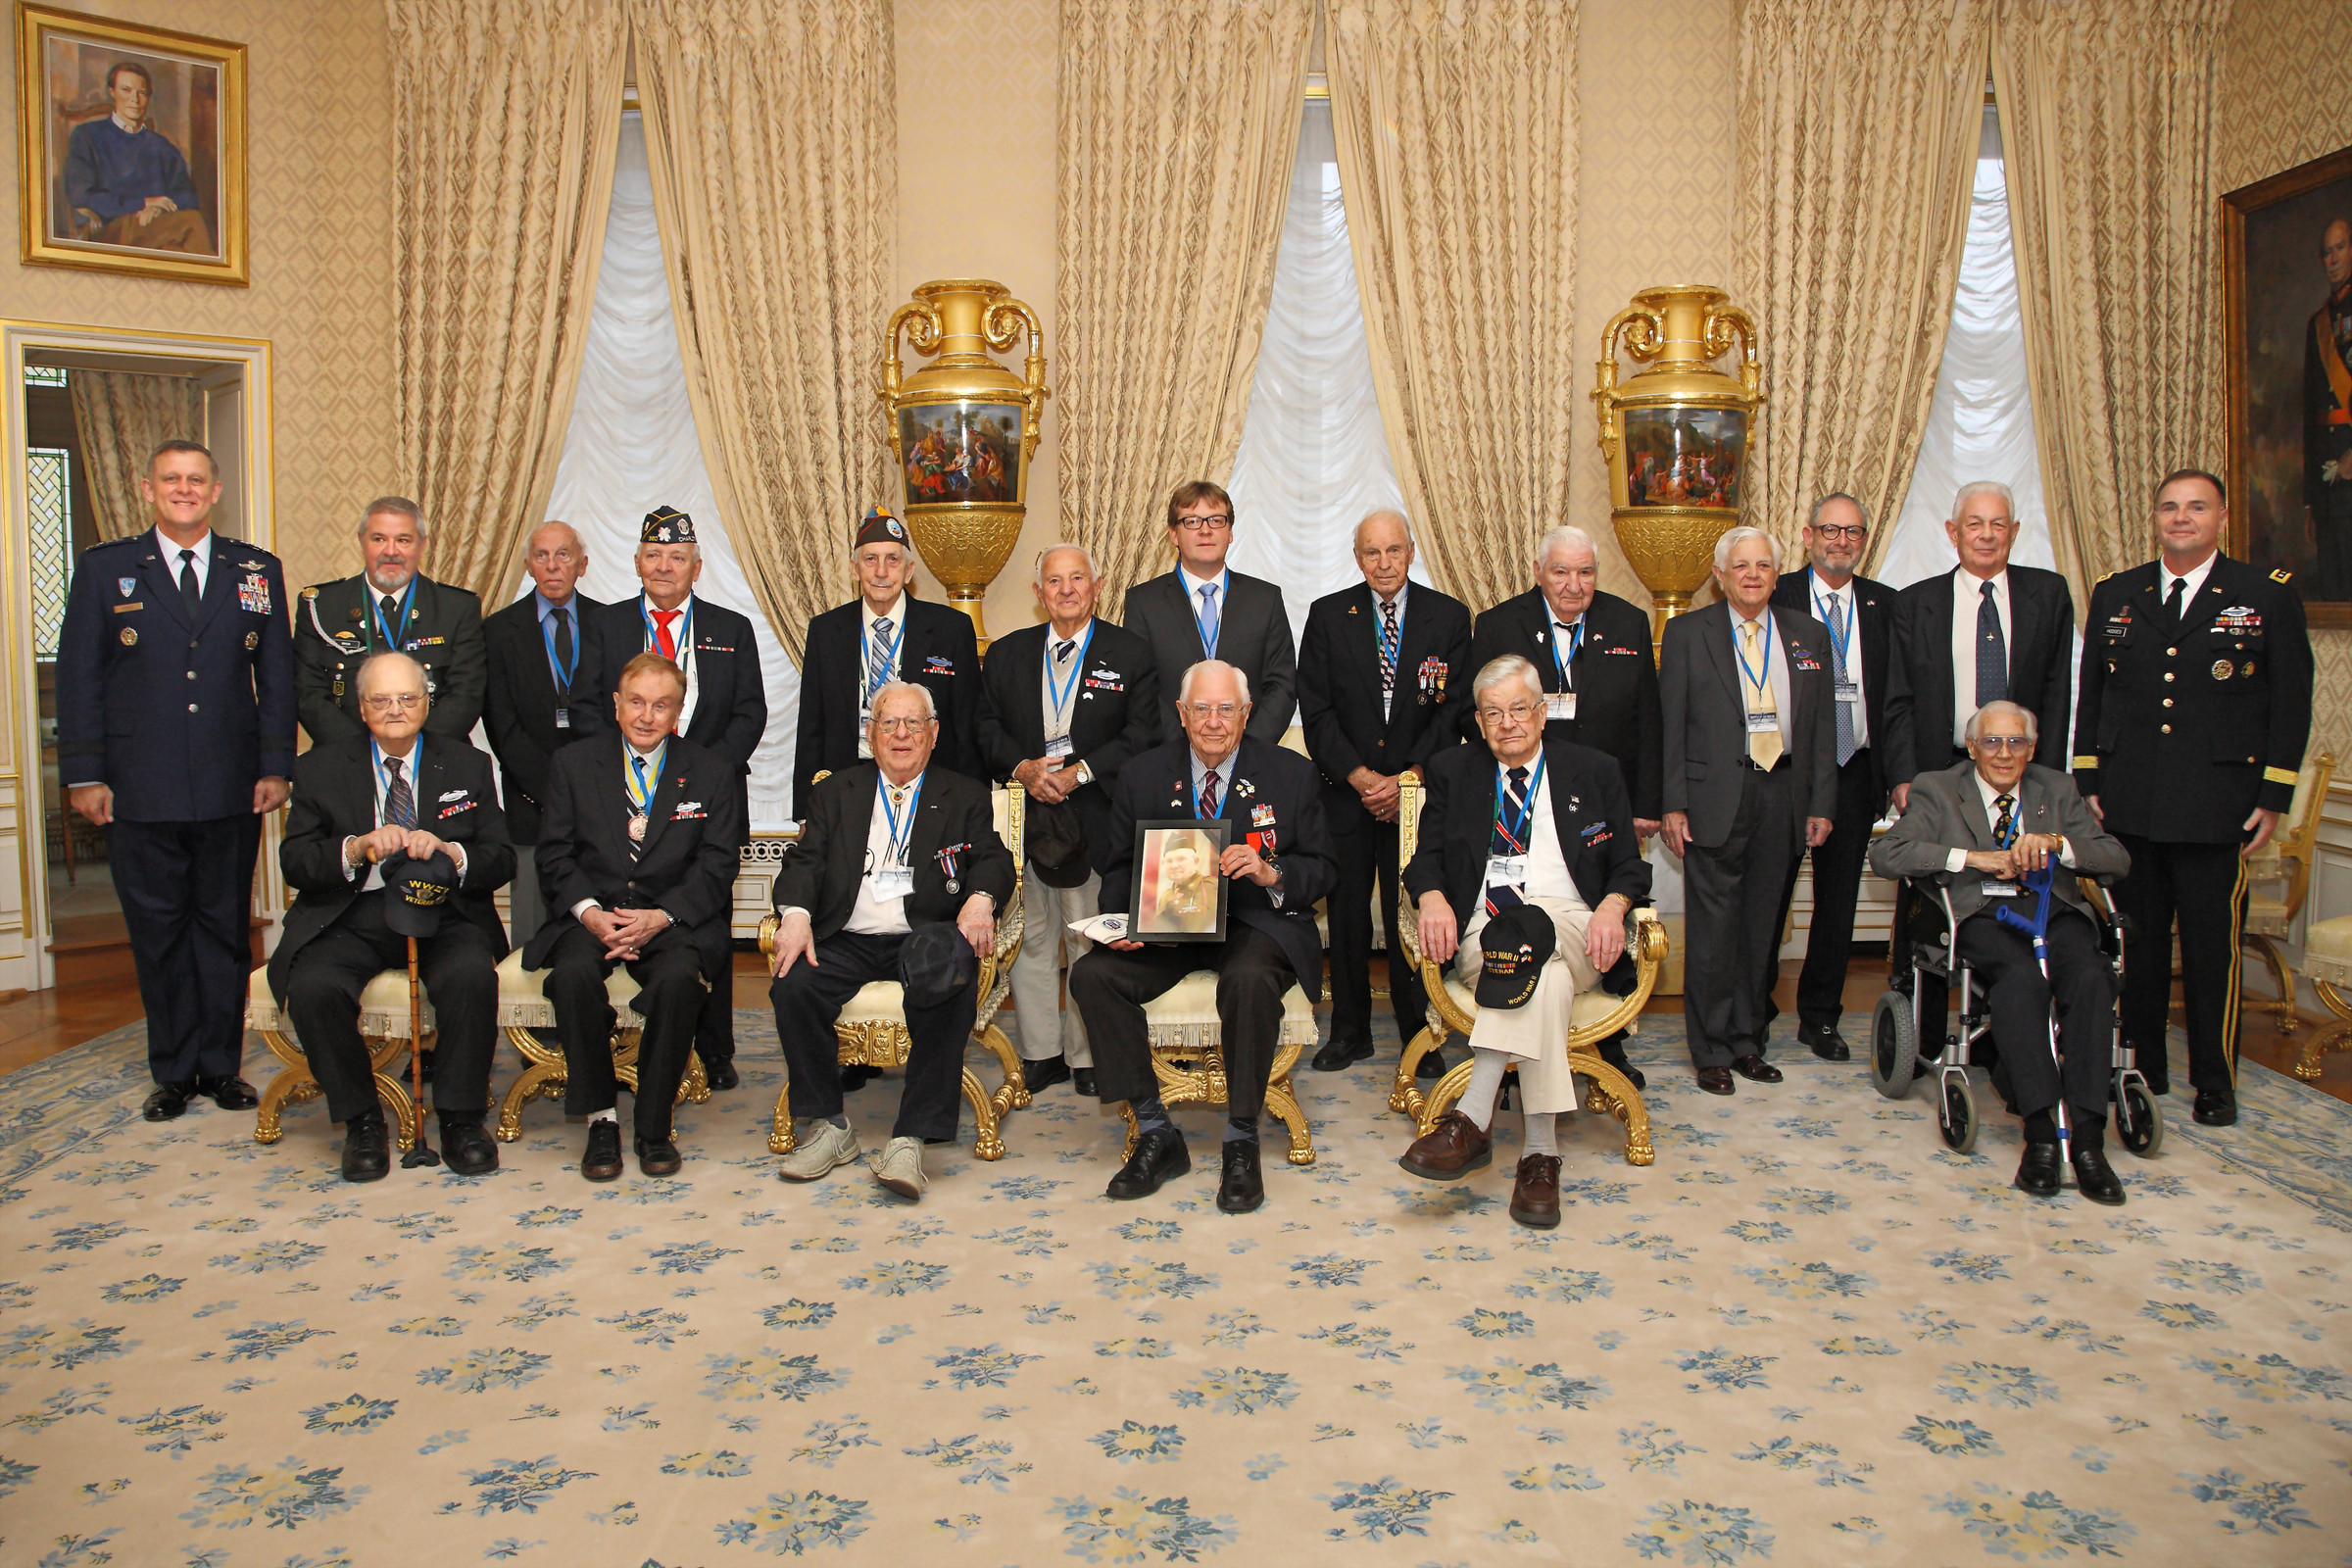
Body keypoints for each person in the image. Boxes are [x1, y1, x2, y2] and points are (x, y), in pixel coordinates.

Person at [56, 439, 293, 1121]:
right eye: (171, 480)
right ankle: (173, 1070)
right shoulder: (106, 570)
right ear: (148, 487)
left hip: (230, 782)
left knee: (222, 927)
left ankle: (220, 1067)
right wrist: (84, 775)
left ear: (215, 490)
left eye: (196, 480)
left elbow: (274, 675)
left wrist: (275, 764)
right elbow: (80, 679)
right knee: (157, 932)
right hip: (139, 785)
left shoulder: (254, 568)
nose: (184, 490)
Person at [2075, 468, 2314, 1128]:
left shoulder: (2262, 596)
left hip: (2219, 806)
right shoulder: (2118, 594)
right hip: (2131, 804)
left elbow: (2290, 707)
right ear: (2155, 518)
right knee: (2139, 948)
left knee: (2213, 953)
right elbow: (2092, 695)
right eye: (2170, 508)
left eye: (2196, 508)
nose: (2181, 518)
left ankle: (2216, 1079)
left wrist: (2273, 795)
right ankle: (2143, 1067)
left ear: (2222, 518)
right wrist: (2090, 779)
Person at [1068, 661, 1335, 1213]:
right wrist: (1120, 923)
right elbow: (1118, 869)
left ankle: (1241, 1140)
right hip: (1169, 928)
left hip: (1255, 922)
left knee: (1249, 979)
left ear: (1247, 713)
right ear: (1182, 714)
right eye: (1202, 709)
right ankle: (1156, 1131)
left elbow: (1325, 868)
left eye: (1226, 709)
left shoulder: (1290, 773)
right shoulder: (1142, 774)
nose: (1214, 722)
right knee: (1093, 975)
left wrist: (1270, 871)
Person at [1396, 656, 1649, 1228]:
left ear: (1541, 713)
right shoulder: (1452, 770)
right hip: (1486, 931)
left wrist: (1612, 907)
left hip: (1577, 925)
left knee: (1539, 940)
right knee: (1543, 977)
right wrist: (1432, 897)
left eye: (1518, 709)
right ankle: (1540, 1154)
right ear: (1480, 723)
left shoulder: (1594, 769)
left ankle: (1471, 1120)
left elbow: (1631, 868)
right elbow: (1424, 860)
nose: (1507, 723)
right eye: (1493, 713)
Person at [1871, 701, 2132, 1203]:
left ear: (2032, 749)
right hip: (1982, 915)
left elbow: (2115, 858)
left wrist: (2058, 844)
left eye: (2017, 743)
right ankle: (2040, 1136)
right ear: (1972, 747)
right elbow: (1887, 854)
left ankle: (2089, 1142)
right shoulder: (1939, 788)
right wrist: (1972, 857)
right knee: (2020, 983)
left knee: (2093, 977)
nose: (2004, 754)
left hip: (2053, 911)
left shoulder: (2056, 788)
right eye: (1992, 741)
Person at [269, 654, 513, 1182]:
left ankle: (461, 1117)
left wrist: (451, 851)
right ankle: (361, 1120)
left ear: (428, 702)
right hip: (352, 914)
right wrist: (354, 848)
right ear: (361, 708)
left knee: (471, 976)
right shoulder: (319, 767)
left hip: (443, 912)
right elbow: (296, 862)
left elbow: (501, 856)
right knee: (312, 986)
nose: (396, 710)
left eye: (407, 698)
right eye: (381, 700)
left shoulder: (468, 764)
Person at [767, 682, 1014, 1200]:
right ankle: (832, 1126)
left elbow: (992, 859)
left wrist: (981, 898)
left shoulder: (963, 793)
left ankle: (910, 1138)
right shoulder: (836, 792)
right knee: (793, 984)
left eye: (914, 723)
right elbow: (805, 862)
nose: (901, 735)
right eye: (888, 723)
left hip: (925, 933)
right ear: (870, 733)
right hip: (847, 933)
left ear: (933, 733)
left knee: (947, 975)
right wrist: (793, 914)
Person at [525, 653, 744, 1181]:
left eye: (662, 705)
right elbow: (553, 855)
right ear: (617, 705)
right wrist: (592, 914)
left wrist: (661, 915)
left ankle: (652, 1124)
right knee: (573, 977)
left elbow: (718, 863)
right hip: (592, 917)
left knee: (677, 983)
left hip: (672, 920)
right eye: (638, 703)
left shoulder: (712, 771)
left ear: (678, 711)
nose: (648, 716)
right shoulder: (573, 764)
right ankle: (601, 1119)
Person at [1464, 524, 1659, 1090]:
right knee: (1548, 940)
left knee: (1601, 905)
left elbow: (1649, 716)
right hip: (1525, 784)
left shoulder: (1627, 623)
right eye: (1561, 572)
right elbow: (1474, 710)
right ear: (1539, 572)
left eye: (1585, 572)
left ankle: (1607, 1045)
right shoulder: (1499, 625)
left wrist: (1647, 801)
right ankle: (1527, 1084)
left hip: (1601, 799)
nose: (1574, 585)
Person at [583, 506, 766, 1093]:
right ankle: (613, 1037)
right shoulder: (605, 626)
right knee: (626, 912)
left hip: (705, 805)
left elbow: (749, 713)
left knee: (704, 921)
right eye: (654, 555)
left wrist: (698, 774)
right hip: (623, 806)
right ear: (637, 562)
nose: (665, 566)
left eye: (678, 557)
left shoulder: (730, 628)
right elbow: (592, 710)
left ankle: (715, 1049)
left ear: (697, 567)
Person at [975, 544, 1159, 1097]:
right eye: (1054, 581)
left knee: (1087, 938)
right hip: (1027, 820)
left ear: (1096, 585)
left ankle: (1086, 1056)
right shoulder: (1006, 655)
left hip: (1097, 818)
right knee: (1032, 940)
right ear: (1038, 594)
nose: (1066, 590)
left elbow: (1144, 735)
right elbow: (983, 727)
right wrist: (1023, 769)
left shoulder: (1131, 652)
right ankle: (1041, 1054)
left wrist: (1080, 773)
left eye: (1077, 578)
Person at [1659, 526, 1836, 1095]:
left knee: (1762, 928)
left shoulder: (1809, 634)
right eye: (1741, 566)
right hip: (1714, 797)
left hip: (1782, 794)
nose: (1753, 575)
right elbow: (1671, 727)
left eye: (1763, 565)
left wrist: (1820, 803)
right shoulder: (1688, 633)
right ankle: (1709, 1048)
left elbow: (1823, 728)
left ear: (1777, 574)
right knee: (1713, 932)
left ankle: (1747, 1043)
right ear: (1720, 575)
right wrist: (1673, 805)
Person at [1297, 510, 1471, 1075]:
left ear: (1411, 551)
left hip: (1418, 798)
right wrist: (1360, 776)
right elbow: (1316, 711)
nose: (1384, 562)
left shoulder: (1448, 617)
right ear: (1357, 558)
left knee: (1414, 911)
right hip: (1347, 794)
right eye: (1372, 552)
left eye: (1393, 550)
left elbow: (1454, 713)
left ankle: (1419, 1029)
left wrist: (1412, 777)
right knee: (1346, 915)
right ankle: (1349, 1031)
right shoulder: (1327, 617)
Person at [1767, 494, 1896, 1061]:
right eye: (1830, 530)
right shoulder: (1777, 595)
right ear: (1807, 534)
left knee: (1839, 902)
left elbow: (1897, 698)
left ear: (1864, 541)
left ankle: (1820, 1017)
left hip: (1855, 769)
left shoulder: (1887, 605)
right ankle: (1755, 1008)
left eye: (1853, 533)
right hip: (1788, 773)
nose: (1841, 541)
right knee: (1769, 896)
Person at [1884, 480, 2074, 805]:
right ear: (1953, 532)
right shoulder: (1914, 604)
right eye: (1974, 524)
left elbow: (2057, 697)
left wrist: (2050, 782)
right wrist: (1903, 777)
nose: (1987, 535)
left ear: (2013, 532)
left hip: (2024, 775)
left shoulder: (2048, 596)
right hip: (1939, 776)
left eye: (1998, 524)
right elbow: (1899, 700)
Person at [796, 508, 981, 814]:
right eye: (871, 559)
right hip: (845, 786)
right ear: (855, 569)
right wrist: (805, 811)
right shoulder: (825, 630)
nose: (881, 571)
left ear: (908, 572)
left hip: (930, 789)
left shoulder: (952, 629)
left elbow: (967, 726)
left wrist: (972, 807)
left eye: (892, 560)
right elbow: (811, 726)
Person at [481, 521, 605, 947]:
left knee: (598, 922)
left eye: (563, 555)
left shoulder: (608, 623)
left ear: (582, 564)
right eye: (541, 556)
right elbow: (501, 725)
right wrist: (551, 788)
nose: (553, 566)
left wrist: (588, 785)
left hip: (600, 797)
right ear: (529, 566)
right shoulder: (498, 631)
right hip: (529, 798)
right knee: (532, 933)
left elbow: (619, 714)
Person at [294, 496, 487, 745]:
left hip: (434, 762)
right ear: (361, 541)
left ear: (422, 545)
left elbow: (466, 696)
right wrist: (366, 757)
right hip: (344, 764)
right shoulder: (321, 607)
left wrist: (410, 752)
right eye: (379, 539)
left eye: (403, 540)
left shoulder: (457, 608)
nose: (391, 551)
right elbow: (309, 694)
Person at [1120, 481, 1297, 746]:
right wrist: (1184, 751)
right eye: (1192, 521)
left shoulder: (1265, 599)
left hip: (1250, 757)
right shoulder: (1143, 602)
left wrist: (1245, 748)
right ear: (1173, 534)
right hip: (1170, 759)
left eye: (1216, 520)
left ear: (1230, 532)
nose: (1205, 530)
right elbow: (1142, 691)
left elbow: (1282, 686)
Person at [61, 60, 211, 254]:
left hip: (160, 226)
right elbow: (81, 194)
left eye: (142, 93)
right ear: (112, 92)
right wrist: (143, 203)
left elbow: (188, 197)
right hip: (113, 228)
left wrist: (158, 209)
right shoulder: (87, 136)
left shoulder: (162, 146)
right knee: (192, 225)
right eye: (126, 90)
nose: (135, 99)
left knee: (179, 243)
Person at [2303, 217, 2352, 601]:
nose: (2332, 259)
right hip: (2327, 476)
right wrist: (2310, 498)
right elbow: (2311, 417)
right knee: (2333, 581)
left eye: (2341, 247)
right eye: (2326, 251)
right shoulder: (2318, 324)